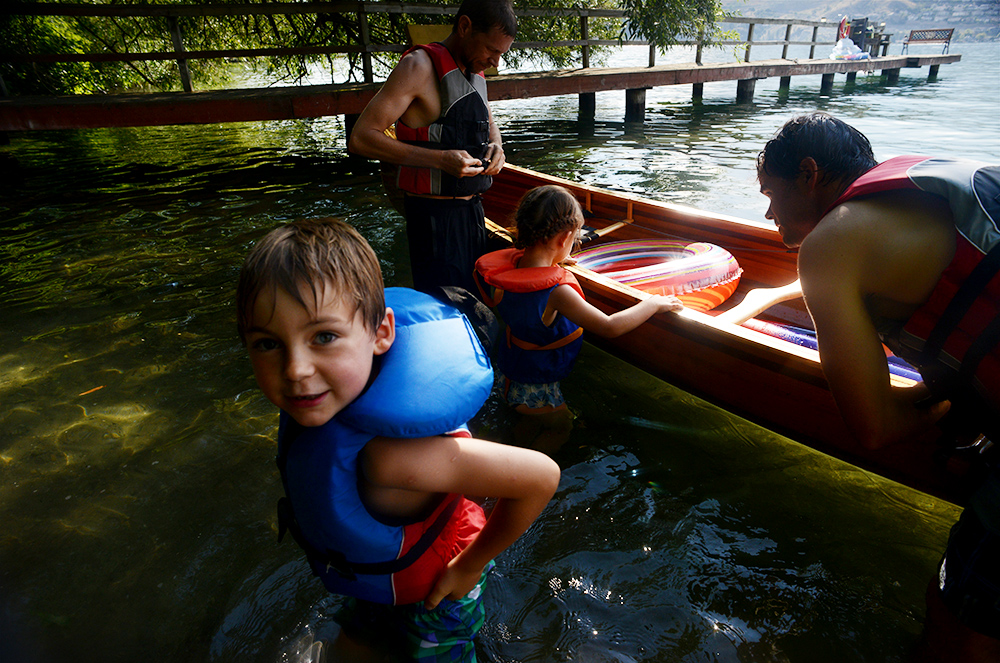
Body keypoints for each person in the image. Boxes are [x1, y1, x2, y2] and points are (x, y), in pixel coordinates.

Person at [235, 218, 560, 661]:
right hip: (376, 576)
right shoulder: (320, 399)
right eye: (268, 344)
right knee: (351, 648)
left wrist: (469, 566)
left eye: (324, 337)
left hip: (437, 590)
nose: (295, 370)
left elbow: (541, 476)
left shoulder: (390, 458)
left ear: (381, 333)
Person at [753, 112, 999, 662]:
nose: (767, 213)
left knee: (958, 630)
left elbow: (875, 427)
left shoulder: (831, 245)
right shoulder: (924, 186)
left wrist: (932, 403)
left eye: (770, 194)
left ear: (810, 175)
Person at [475, 185, 684, 451]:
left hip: (513, 373)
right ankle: (526, 476)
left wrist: (557, 262)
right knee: (561, 427)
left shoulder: (512, 266)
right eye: (575, 239)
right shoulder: (558, 292)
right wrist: (653, 304)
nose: (575, 245)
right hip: (536, 386)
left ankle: (514, 450)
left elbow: (533, 284)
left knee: (527, 424)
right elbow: (609, 326)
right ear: (563, 239)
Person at [347, 0, 516, 297]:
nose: (495, 62)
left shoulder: (475, 71)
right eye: (491, 50)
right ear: (464, 27)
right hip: (435, 219)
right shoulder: (418, 66)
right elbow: (361, 137)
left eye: (501, 54)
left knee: (475, 305)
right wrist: (439, 160)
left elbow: (489, 124)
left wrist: (497, 147)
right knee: (446, 309)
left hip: (473, 213)